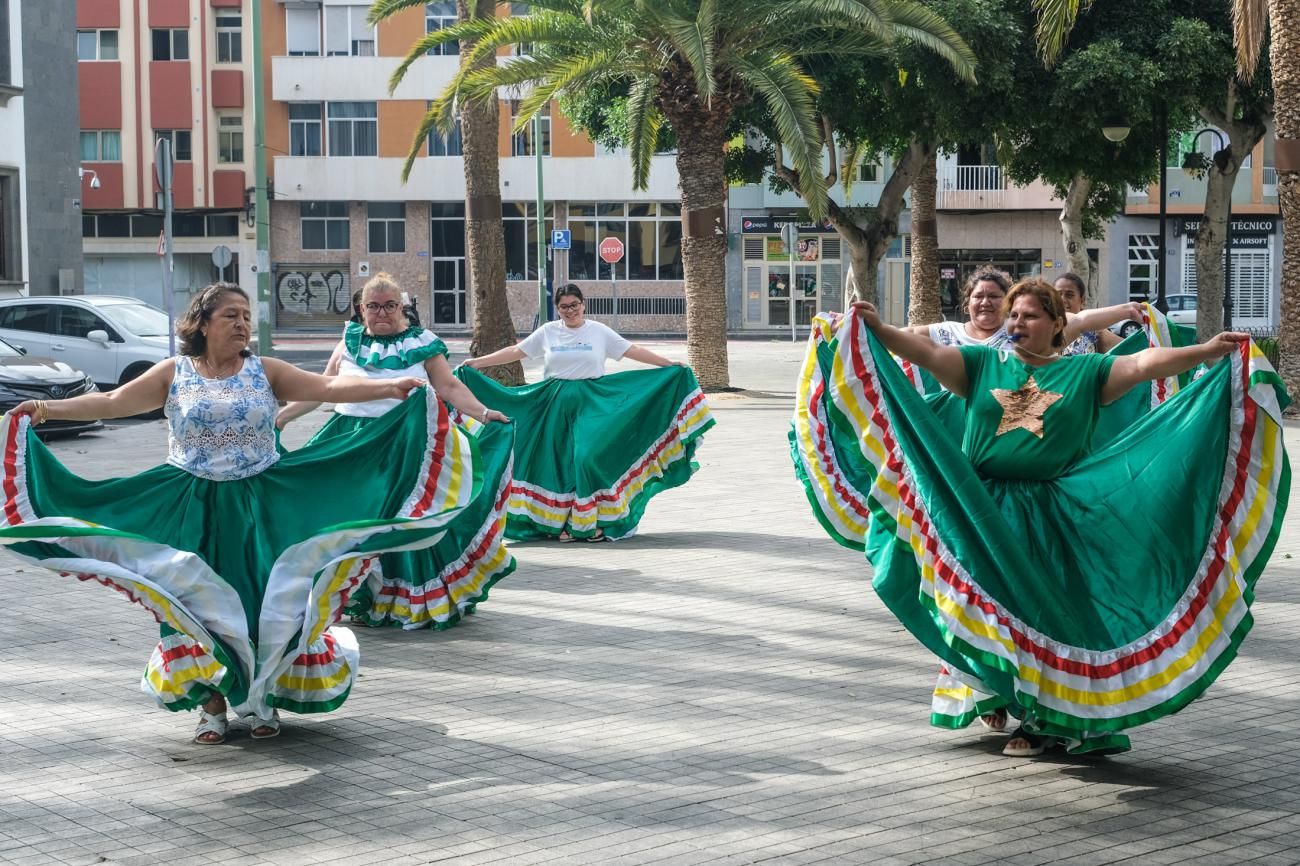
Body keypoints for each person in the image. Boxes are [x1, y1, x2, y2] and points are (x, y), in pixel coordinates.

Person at [791, 278, 1290, 757]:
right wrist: (878, 328)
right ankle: (995, 692)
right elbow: (924, 353)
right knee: (982, 608)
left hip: (1049, 514)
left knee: (1039, 614)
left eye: (1029, 315)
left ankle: (1045, 718)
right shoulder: (982, 364)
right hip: (979, 510)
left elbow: (1143, 363)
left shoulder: (1087, 373)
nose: (1016, 322)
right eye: (1013, 314)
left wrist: (1205, 352)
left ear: (1058, 324)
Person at [0, 284, 485, 744]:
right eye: (230, 316)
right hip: (190, 506)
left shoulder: (265, 370)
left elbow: (327, 387)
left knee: (262, 601)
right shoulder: (174, 373)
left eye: (247, 317)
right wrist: (44, 408)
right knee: (188, 602)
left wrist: (391, 387)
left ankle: (261, 700)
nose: (242, 325)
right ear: (203, 323)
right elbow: (111, 402)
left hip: (260, 506)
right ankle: (211, 705)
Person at [277, 273, 514, 630]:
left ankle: (405, 599)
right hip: (348, 443)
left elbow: (449, 386)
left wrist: (481, 412)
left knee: (399, 521)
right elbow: (323, 389)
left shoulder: (423, 343)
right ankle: (356, 593)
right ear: (361, 308)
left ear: (401, 308)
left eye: (389, 306)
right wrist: (282, 417)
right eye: (373, 306)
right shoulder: (348, 342)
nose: (381, 313)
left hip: (403, 447)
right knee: (344, 518)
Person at [460, 284, 715, 542]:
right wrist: (477, 362)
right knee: (555, 464)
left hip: (592, 403)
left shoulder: (598, 331)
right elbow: (516, 352)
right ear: (557, 309)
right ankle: (560, 525)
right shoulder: (548, 331)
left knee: (586, 458)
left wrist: (667, 363)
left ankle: (591, 520)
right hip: (552, 404)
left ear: (583, 304)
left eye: (574, 305)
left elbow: (631, 350)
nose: (570, 311)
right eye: (564, 306)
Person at [1054, 273, 1123, 354]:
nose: (1063, 300)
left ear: (1082, 300)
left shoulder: (1093, 330)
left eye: (1069, 295)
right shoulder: (1043, 328)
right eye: (1058, 296)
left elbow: (1127, 349)